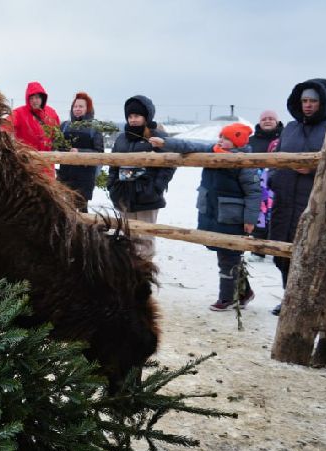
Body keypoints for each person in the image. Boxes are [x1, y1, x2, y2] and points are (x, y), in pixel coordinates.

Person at [149, 124, 259, 311]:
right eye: (221, 137)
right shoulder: (212, 151)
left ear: (237, 142)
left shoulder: (244, 163)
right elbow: (188, 145)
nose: (221, 140)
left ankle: (227, 297)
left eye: (226, 138)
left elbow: (254, 192)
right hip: (213, 212)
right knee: (228, 256)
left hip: (231, 217)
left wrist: (250, 219)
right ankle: (244, 292)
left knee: (228, 256)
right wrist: (165, 143)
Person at [267, 78, 326, 315]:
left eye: (313, 101)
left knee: (313, 253)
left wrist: (315, 169)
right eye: (304, 101)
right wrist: (274, 178)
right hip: (285, 198)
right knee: (283, 253)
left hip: (316, 201)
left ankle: (313, 303)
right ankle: (289, 297)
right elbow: (276, 156)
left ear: (324, 102)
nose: (308, 105)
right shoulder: (290, 127)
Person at [107, 95, 174, 259]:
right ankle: (128, 275)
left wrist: (155, 188)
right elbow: (113, 165)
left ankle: (144, 275)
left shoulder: (156, 137)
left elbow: (169, 164)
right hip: (124, 194)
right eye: (130, 116)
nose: (133, 120)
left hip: (146, 196)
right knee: (127, 238)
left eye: (136, 116)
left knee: (145, 239)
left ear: (146, 116)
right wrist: (112, 186)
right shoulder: (122, 139)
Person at [56, 92, 105, 210]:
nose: (77, 109)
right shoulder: (65, 126)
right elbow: (58, 145)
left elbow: (99, 152)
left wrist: (80, 151)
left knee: (82, 210)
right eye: (75, 106)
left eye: (81, 106)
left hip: (85, 176)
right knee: (66, 209)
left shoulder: (94, 127)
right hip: (66, 174)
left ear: (87, 108)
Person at [6, 81, 61, 177]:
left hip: (46, 164)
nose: (34, 101)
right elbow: (5, 125)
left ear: (42, 98)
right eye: (31, 98)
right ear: (27, 99)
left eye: (37, 97)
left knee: (48, 191)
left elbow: (58, 135)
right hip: (27, 164)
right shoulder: (19, 113)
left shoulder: (51, 113)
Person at [248, 110, 283, 256]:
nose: (267, 121)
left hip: (279, 183)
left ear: (277, 121)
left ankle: (277, 250)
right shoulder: (251, 140)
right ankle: (258, 250)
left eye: (271, 119)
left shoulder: (286, 137)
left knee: (278, 215)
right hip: (257, 184)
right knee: (259, 215)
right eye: (264, 119)